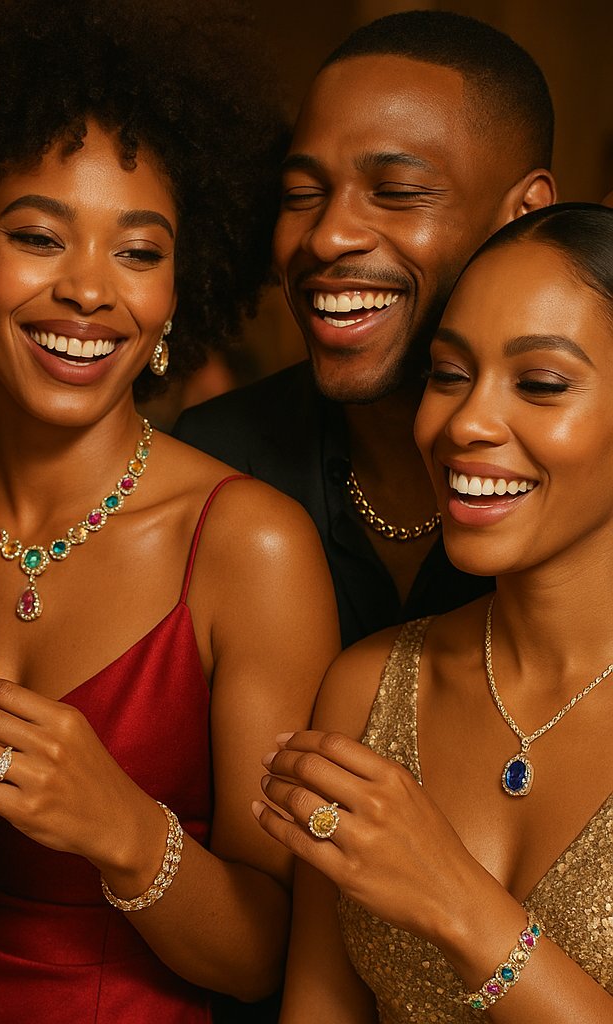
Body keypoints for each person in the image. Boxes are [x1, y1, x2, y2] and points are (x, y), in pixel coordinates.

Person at [0, 2, 339, 1020]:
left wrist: (122, 826)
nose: (89, 290)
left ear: (179, 291)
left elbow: (275, 953)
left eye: (138, 252)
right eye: (40, 236)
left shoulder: (245, 544)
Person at [256, 203, 613, 1022]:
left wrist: (459, 905)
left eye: (541, 384)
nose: (466, 424)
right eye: (448, 376)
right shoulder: (367, 686)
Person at [175, 10, 557, 648]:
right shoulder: (212, 464)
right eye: (301, 195)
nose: (327, 236)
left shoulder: (585, 476)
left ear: (522, 216)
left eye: (398, 191)